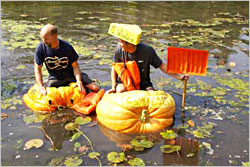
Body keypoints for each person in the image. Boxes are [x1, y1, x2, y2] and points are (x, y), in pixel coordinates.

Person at [106, 24, 189, 94]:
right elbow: (114, 68)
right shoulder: (119, 50)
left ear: (130, 44)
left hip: (144, 84)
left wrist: (179, 76)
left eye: (121, 42)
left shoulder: (147, 51)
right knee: (120, 90)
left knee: (152, 96)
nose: (119, 44)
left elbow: (163, 66)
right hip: (125, 82)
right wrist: (114, 86)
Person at [34, 23, 99, 95]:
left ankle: (84, 88)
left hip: (71, 76)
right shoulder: (41, 48)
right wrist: (41, 86)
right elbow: (37, 69)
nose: (44, 41)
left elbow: (75, 66)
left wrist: (79, 81)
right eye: (42, 38)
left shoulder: (67, 47)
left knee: (95, 89)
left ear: (55, 36)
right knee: (48, 96)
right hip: (55, 78)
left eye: (46, 39)